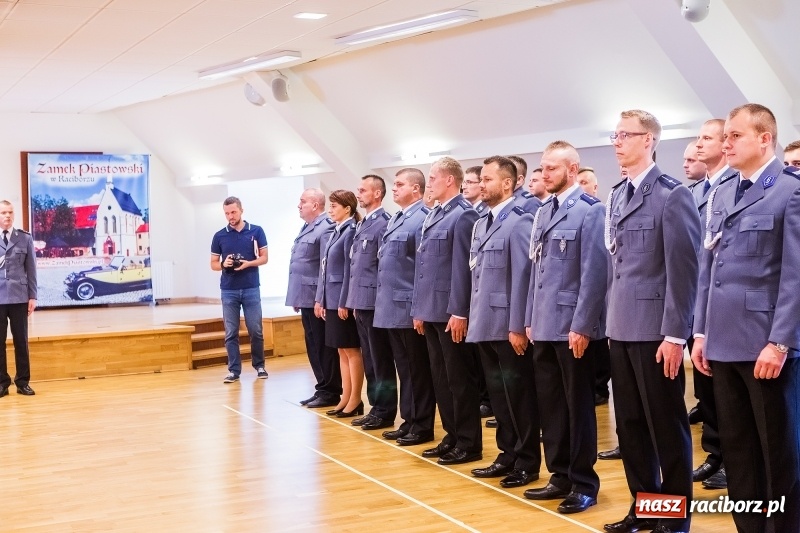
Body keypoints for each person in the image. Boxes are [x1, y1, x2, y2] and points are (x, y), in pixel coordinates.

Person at [692, 103, 800, 533]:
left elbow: (795, 276)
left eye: (736, 136)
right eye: (726, 136)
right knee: (737, 450)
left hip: (764, 344)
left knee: (777, 453)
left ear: (764, 139)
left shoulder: (789, 191)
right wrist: (700, 332)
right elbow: (709, 271)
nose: (726, 143)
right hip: (723, 342)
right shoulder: (723, 191)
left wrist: (780, 342)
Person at [603, 110, 700, 533]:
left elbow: (684, 270)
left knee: (665, 423)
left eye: (625, 135)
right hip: (621, 325)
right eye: (615, 135)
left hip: (656, 329)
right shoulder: (618, 192)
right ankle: (645, 507)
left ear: (649, 140)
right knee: (630, 425)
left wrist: (675, 334)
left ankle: (674, 515)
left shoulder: (671, 194)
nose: (617, 142)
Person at [523, 141, 606, 514]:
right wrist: (528, 318)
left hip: (572, 326)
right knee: (551, 406)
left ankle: (583, 482)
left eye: (551, 169)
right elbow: (536, 273)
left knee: (577, 407)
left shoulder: (590, 211)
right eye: (542, 168)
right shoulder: (543, 212)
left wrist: (583, 325)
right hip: (543, 324)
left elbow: (593, 274)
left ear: (572, 170)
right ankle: (558, 474)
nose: (544, 175)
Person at [467, 156, 540, 488]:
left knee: (519, 396)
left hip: (507, 325)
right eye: (480, 180)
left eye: (487, 179)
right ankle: (507, 454)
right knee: (499, 397)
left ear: (508, 183)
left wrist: (517, 325)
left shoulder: (520, 221)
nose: (481, 185)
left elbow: (523, 278)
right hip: (485, 320)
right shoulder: (482, 221)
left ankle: (527, 461)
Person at [412, 156, 481, 465]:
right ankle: (451, 435)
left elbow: (463, 269)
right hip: (431, 309)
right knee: (441, 378)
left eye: (433, 177)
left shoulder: (463, 216)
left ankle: (468, 442)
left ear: (450, 180)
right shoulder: (434, 214)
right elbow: (425, 268)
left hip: (450, 310)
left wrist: (460, 311)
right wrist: (419, 310)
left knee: (459, 379)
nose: (430, 183)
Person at [687, 118, 738, 490]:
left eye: (707, 138)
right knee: (706, 391)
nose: (700, 145)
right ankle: (714, 452)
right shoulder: (694, 192)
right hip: (695, 303)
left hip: (725, 306)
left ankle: (732, 461)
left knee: (726, 393)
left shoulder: (734, 188)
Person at [373, 168, 436, 445]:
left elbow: (423, 269)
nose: (394, 189)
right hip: (392, 306)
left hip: (408, 306)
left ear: (416, 189)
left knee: (416, 370)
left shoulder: (421, 219)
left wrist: (418, 308)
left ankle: (422, 424)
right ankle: (409, 419)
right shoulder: (399, 218)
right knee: (404, 368)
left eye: (399, 185)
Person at [347, 175, 395, 431]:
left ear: (377, 194)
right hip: (362, 301)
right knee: (370, 358)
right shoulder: (363, 224)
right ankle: (376, 406)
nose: (359, 194)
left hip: (375, 302)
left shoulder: (383, 224)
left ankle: (385, 410)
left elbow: (381, 267)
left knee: (381, 359)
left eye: (363, 190)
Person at [286, 188, 340, 408]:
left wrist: (321, 299)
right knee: (313, 346)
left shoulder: (325, 227)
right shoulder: (307, 227)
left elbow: (325, 266)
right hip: (305, 296)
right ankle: (322, 387)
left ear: (316, 205)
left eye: (303, 201)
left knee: (322, 347)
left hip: (316, 297)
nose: (299, 205)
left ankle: (331, 390)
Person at [210, 196, 268, 384]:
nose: (230, 216)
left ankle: (259, 366)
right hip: (229, 290)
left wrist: (249, 263)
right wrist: (223, 263)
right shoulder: (219, 235)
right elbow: (213, 265)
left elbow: (265, 258)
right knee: (231, 332)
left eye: (233, 212)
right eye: (227, 213)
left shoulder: (256, 231)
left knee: (256, 330)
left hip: (251, 287)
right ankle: (234, 370)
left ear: (241, 210)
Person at [315, 190, 363, 418]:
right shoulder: (337, 230)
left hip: (341, 299)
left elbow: (348, 270)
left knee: (351, 350)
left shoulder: (351, 231)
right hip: (332, 299)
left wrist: (345, 300)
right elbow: (326, 268)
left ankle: (355, 399)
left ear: (347, 208)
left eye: (334, 206)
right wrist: (322, 299)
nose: (330, 210)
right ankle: (345, 396)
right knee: (341, 350)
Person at [577, 167, 612, 406]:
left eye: (585, 182)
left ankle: (601, 386)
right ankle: (595, 385)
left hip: (602, 291)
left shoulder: (597, 211)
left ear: (595, 187)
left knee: (599, 342)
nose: (580, 186)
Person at [461, 165, 493, 420]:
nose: (472, 186)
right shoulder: (479, 218)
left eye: (480, 180)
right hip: (478, 301)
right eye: (473, 182)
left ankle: (486, 399)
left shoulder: (474, 216)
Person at [0, 201, 37, 397]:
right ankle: (1, 383)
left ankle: (23, 382)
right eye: (3, 212)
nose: (7, 216)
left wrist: (32, 296)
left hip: (19, 297)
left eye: (10, 212)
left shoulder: (24, 238)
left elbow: (31, 269)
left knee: (21, 341)